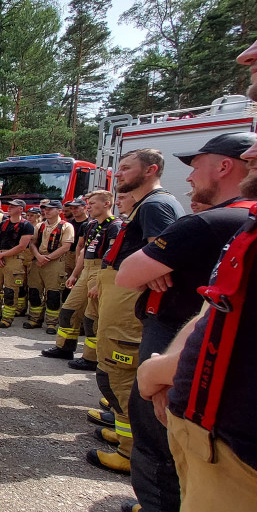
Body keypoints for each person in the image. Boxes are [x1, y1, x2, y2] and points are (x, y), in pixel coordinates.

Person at [89, 132, 255, 512]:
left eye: (199, 163)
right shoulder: (241, 216)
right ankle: (163, 510)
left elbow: (132, 270)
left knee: (155, 426)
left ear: (225, 167)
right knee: (159, 429)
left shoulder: (181, 212)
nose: (192, 173)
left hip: (171, 332)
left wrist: (152, 267)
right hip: (177, 330)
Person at [88, 149, 185, 476]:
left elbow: (160, 259)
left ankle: (130, 452)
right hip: (119, 294)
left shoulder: (157, 205)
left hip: (129, 302)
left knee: (121, 368)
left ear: (151, 169)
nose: (119, 174)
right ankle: (123, 433)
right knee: (114, 367)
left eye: (127, 168)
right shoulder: (146, 206)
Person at [43, 190, 120, 365]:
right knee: (69, 310)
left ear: (107, 204)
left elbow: (112, 258)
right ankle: (64, 348)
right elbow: (84, 252)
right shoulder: (91, 225)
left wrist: (99, 283)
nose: (88, 207)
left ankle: (91, 358)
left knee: (92, 317)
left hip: (101, 270)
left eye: (92, 203)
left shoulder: (115, 226)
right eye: (88, 203)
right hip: (86, 269)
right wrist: (75, 274)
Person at [24, 200, 75, 332]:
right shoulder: (39, 226)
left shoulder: (66, 226)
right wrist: (39, 256)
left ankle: (52, 323)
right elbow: (32, 243)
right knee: (34, 291)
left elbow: (66, 247)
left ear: (59, 211)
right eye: (45, 209)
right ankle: (35, 319)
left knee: (53, 293)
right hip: (38, 261)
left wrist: (47, 258)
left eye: (50, 209)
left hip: (55, 263)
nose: (46, 211)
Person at [0, 199, 34, 328]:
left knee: (10, 292)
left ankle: (7, 318)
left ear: (21, 209)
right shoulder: (4, 223)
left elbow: (22, 246)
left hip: (14, 259)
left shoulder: (26, 226)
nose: (10, 208)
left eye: (14, 206)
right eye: (10, 206)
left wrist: (2, 255)